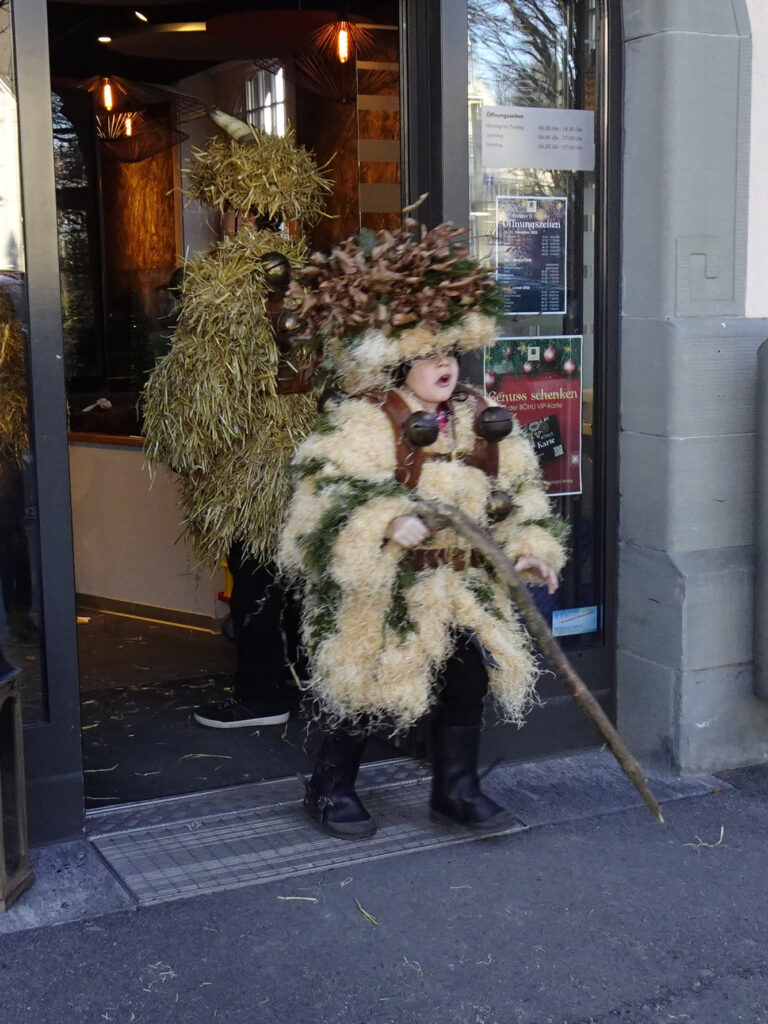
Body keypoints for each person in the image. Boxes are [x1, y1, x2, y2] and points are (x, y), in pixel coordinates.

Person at [278, 221, 568, 839]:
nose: (444, 365)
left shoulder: (481, 416)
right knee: (363, 682)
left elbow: (520, 494)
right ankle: (330, 786)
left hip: (461, 585)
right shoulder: (364, 420)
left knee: (465, 680)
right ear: (397, 360)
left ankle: (456, 791)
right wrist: (386, 520)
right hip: (385, 586)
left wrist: (527, 549)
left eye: (450, 353)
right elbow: (325, 494)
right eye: (429, 355)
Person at [142, 114, 330, 729]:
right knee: (296, 566)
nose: (221, 218)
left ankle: (260, 695)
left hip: (258, 450)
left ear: (237, 207)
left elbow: (211, 381)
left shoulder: (233, 279)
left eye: (224, 206)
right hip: (305, 442)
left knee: (256, 569)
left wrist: (182, 439)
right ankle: (304, 680)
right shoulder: (314, 271)